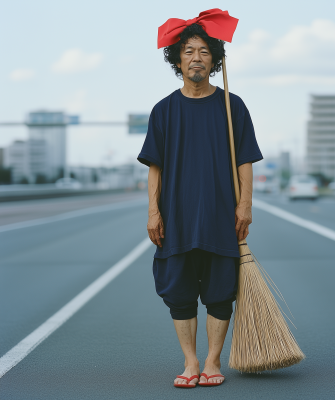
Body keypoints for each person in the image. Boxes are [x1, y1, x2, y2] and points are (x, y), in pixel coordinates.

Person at [137, 13, 263, 388]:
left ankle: (212, 361)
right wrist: (153, 210)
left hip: (221, 214)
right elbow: (154, 167)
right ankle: (190, 362)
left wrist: (245, 205)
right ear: (177, 60)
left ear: (215, 60)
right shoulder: (164, 110)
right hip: (175, 216)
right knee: (178, 291)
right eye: (188, 51)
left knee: (221, 291)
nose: (196, 57)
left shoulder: (232, 106)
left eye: (204, 52)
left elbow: (246, 159)